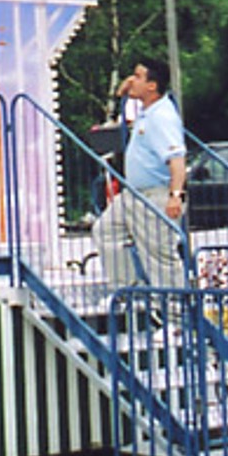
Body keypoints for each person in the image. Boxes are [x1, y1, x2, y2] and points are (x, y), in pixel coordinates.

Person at [90, 58, 188, 290]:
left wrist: (175, 195)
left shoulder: (162, 116)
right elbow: (122, 100)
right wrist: (123, 92)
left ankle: (174, 308)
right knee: (106, 231)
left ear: (152, 86)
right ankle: (129, 290)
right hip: (134, 194)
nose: (131, 80)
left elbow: (177, 160)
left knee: (158, 255)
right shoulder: (147, 112)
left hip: (155, 194)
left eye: (137, 76)